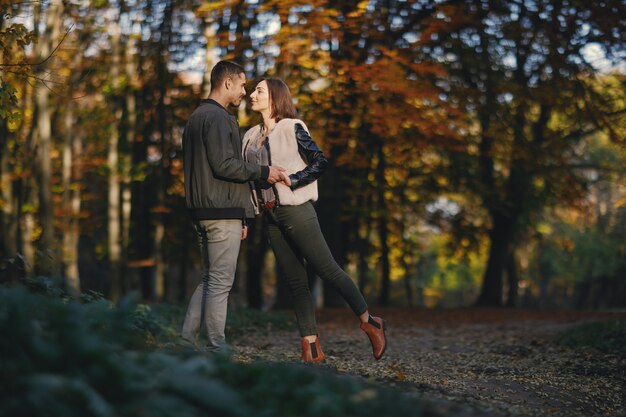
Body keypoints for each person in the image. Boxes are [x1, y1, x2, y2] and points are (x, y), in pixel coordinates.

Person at [243, 77, 387, 362]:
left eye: (259, 90)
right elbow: (245, 179)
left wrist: (293, 179)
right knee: (295, 282)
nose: (252, 94)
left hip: (297, 210)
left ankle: (370, 321)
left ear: (275, 96)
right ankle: (311, 348)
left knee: (327, 269)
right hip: (270, 214)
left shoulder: (292, 127)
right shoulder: (248, 135)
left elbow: (320, 161)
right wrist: (245, 216)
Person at [181, 61, 286, 353]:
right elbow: (225, 165)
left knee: (209, 279)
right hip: (220, 211)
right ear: (226, 83)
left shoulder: (195, 118)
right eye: (241, 85)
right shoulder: (219, 118)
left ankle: (186, 343)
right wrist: (264, 172)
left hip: (204, 211)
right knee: (220, 284)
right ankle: (217, 349)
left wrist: (242, 215)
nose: (244, 91)